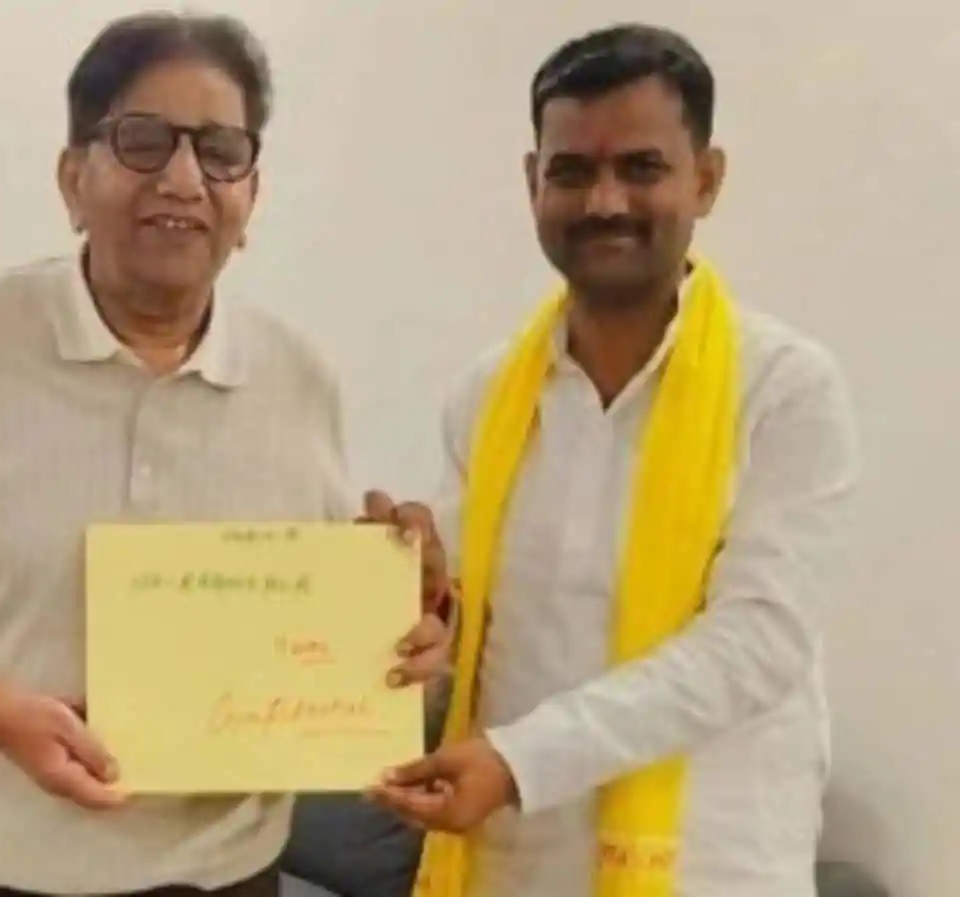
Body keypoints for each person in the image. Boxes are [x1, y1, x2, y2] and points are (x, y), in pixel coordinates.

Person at [0, 12, 448, 897]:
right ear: (73, 179)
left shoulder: (299, 379)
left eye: (220, 151)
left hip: (216, 875)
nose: (183, 178)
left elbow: (301, 635)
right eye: (142, 140)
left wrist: (400, 623)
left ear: (251, 195)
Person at [366, 23, 860, 897]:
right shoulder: (487, 395)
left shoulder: (785, 388)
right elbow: (472, 622)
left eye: (641, 167)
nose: (604, 201)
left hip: (710, 864)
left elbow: (758, 643)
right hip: (512, 863)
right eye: (571, 171)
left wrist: (521, 760)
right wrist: (421, 602)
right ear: (532, 181)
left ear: (706, 180)